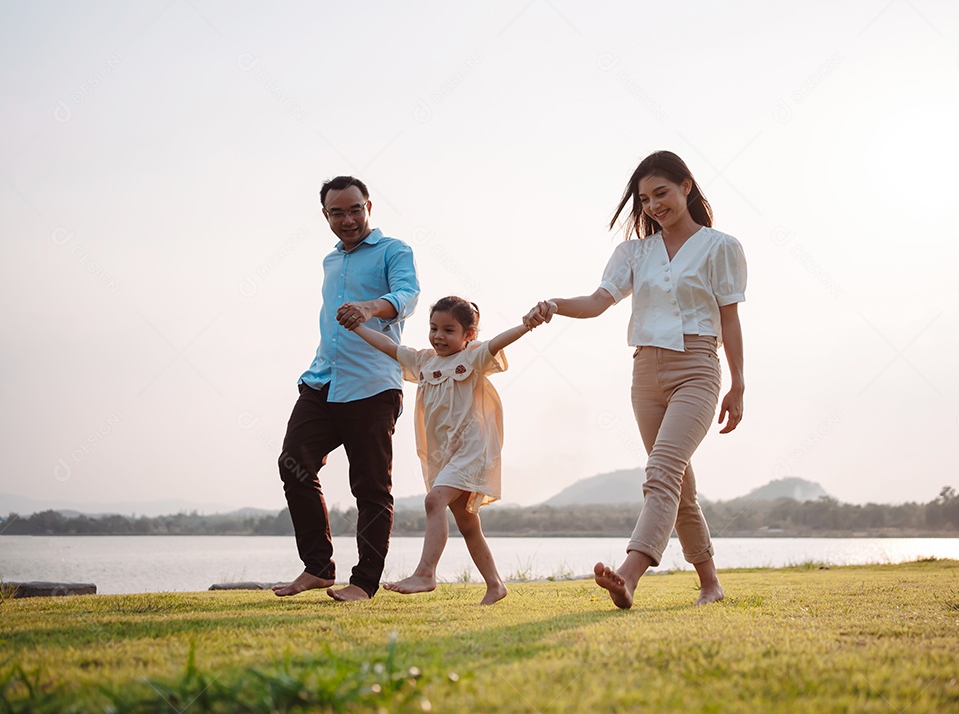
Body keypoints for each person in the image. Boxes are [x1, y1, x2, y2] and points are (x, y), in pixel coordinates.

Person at [525, 151, 747, 609]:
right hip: (645, 373)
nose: (652, 205)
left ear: (687, 186)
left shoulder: (721, 246)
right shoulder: (633, 252)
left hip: (698, 367)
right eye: (644, 199)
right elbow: (596, 301)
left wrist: (738, 384)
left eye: (661, 193)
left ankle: (628, 574)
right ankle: (711, 584)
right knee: (678, 485)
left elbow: (729, 319)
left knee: (661, 471)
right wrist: (554, 304)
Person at [272, 175, 420, 602]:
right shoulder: (330, 261)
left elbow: (407, 295)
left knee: (371, 488)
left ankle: (364, 582)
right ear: (326, 215)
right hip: (322, 380)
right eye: (337, 212)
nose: (348, 219)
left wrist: (372, 307)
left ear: (368, 206)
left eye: (355, 209)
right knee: (293, 463)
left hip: (373, 384)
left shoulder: (395, 250)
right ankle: (318, 568)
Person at [347, 295, 542, 605]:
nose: (439, 336)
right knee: (467, 523)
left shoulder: (473, 357)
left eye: (449, 330)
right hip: (444, 454)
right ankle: (495, 584)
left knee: (434, 500)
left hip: (472, 448)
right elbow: (388, 346)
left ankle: (426, 573)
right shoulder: (424, 361)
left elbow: (498, 342)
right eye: (434, 328)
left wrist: (526, 326)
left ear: (469, 335)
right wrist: (356, 327)